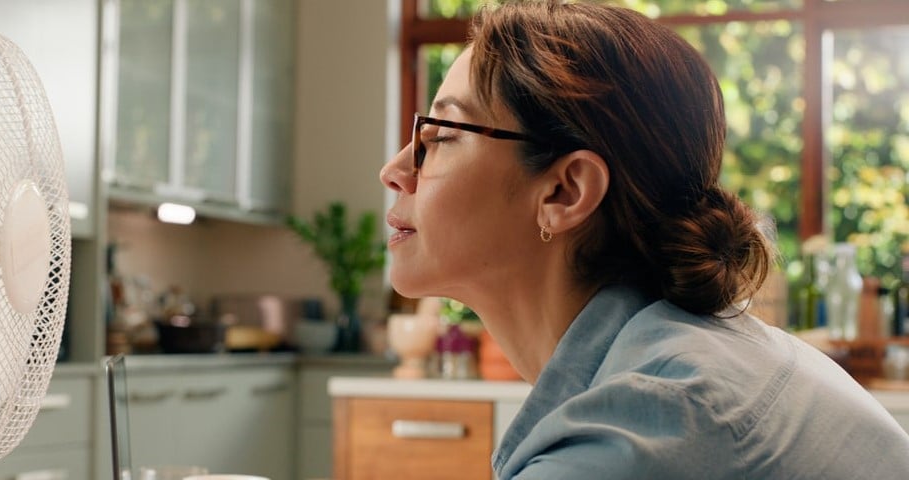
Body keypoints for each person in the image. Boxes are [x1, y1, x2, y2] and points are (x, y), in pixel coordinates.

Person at [379, 1, 909, 478]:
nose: (395, 170)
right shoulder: (678, 365)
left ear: (565, 192)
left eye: (441, 136)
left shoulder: (649, 426)